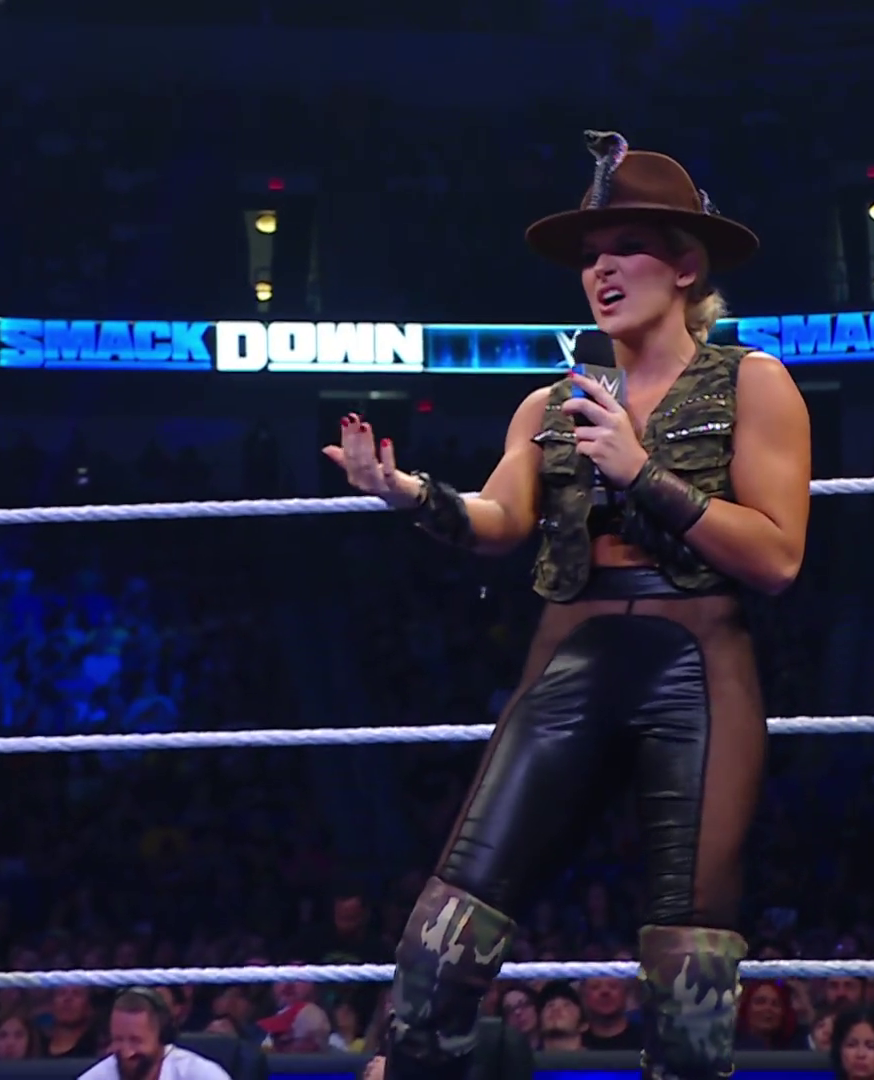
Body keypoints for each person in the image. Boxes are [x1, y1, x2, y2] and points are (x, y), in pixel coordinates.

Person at [326, 130, 811, 1080]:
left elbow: (778, 556)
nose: (601, 271)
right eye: (590, 256)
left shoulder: (753, 382)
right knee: (441, 943)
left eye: (626, 248)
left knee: (691, 976)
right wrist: (407, 493)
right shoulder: (550, 405)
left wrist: (642, 473)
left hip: (698, 670)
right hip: (572, 660)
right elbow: (499, 519)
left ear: (685, 267)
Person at [76, 989, 232, 1080]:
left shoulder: (201, 1075)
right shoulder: (98, 1076)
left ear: (162, 1036)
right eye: (118, 1039)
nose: (126, 1052)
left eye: (136, 1040)